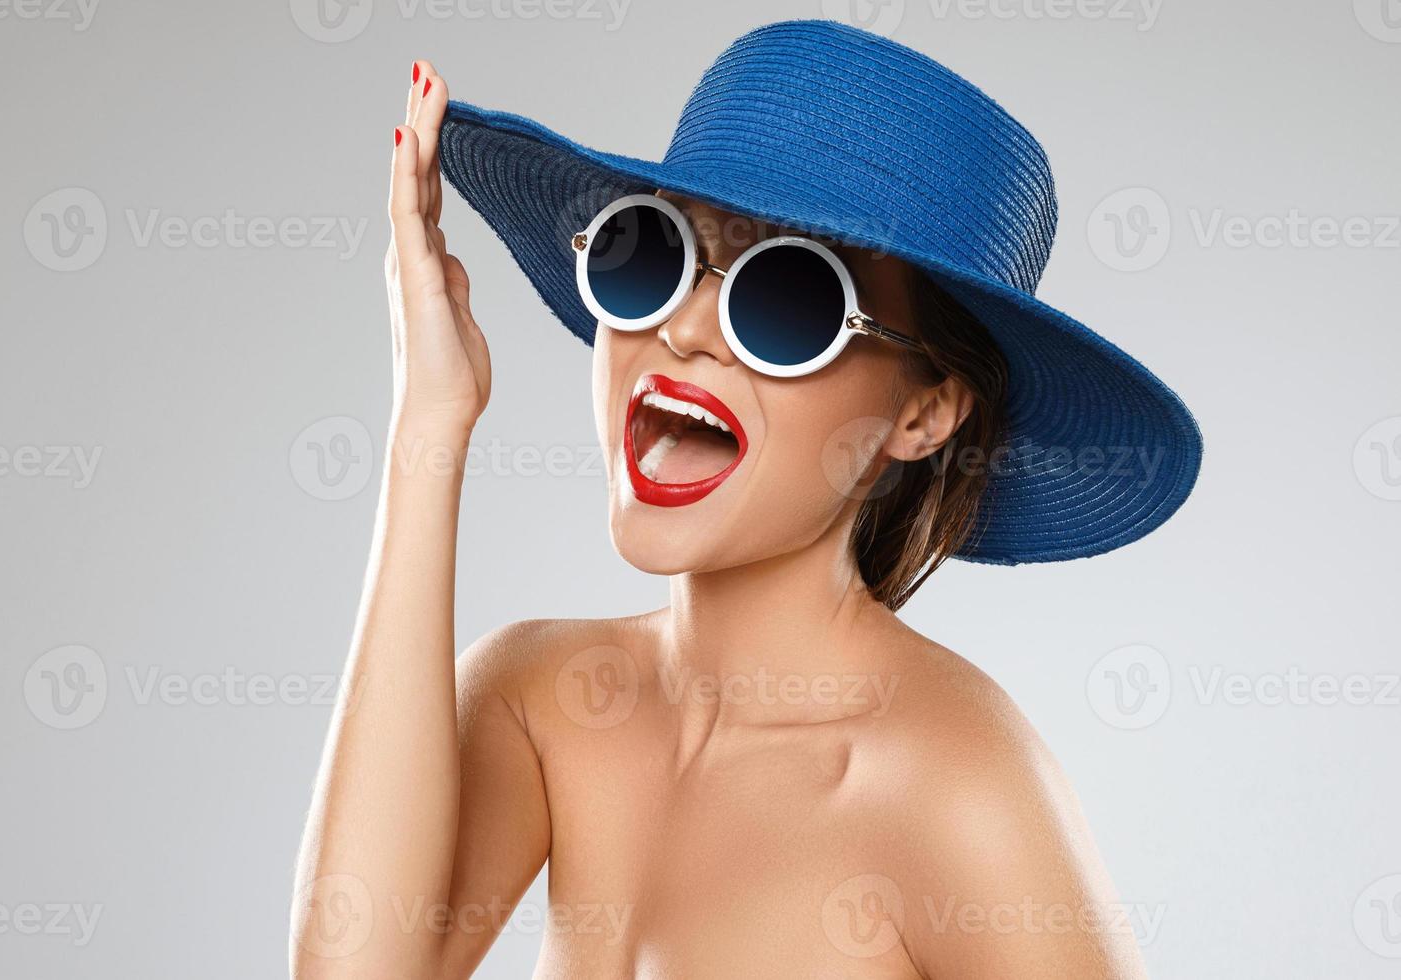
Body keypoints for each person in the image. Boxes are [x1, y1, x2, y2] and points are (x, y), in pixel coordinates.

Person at [292, 20, 1200, 979]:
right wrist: (427, 433)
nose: (684, 328)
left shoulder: (954, 786)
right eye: (653, 253)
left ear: (926, 411)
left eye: (788, 300)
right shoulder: (542, 700)